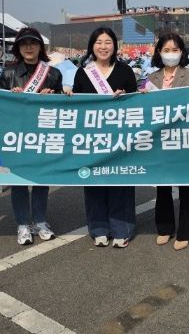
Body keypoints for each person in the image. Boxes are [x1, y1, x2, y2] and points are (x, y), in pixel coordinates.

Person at [70, 27, 137, 248]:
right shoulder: (83, 72)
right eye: (99, 42)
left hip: (120, 138)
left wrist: (126, 97)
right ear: (92, 46)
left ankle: (122, 229)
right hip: (92, 139)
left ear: (115, 46)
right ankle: (98, 228)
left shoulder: (125, 71)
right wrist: (69, 95)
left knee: (120, 182)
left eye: (108, 42)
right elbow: (76, 106)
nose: (103, 46)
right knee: (94, 182)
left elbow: (137, 103)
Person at [0, 27, 63, 245]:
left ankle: (40, 220)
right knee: (18, 181)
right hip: (17, 136)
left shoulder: (53, 74)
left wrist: (53, 96)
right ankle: (23, 223)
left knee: (41, 179)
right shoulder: (8, 73)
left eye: (33, 43)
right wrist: (11, 97)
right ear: (18, 47)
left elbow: (62, 110)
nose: (28, 47)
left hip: (43, 135)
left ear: (40, 47)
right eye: (24, 43)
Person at [146, 33, 189, 251]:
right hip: (160, 139)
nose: (170, 54)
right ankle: (165, 227)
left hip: (184, 137)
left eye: (175, 50)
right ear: (159, 52)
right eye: (166, 50)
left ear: (182, 52)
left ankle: (185, 231)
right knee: (162, 185)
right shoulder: (152, 78)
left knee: (186, 186)